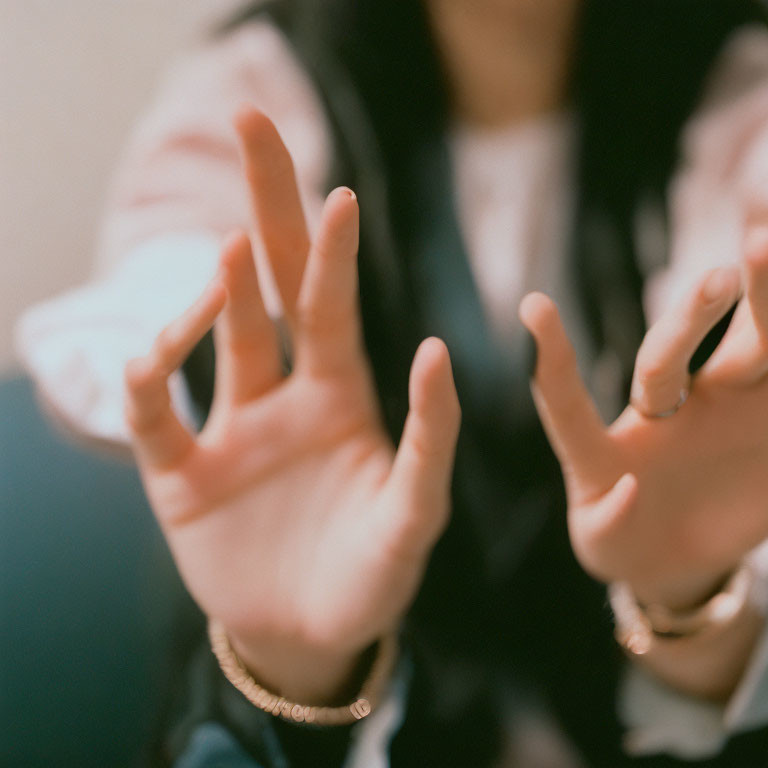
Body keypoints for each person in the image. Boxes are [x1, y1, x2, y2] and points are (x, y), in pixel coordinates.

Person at [16, 0, 768, 765]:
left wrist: (692, 596)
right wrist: (297, 655)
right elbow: (159, 277)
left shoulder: (739, 87)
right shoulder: (263, 80)